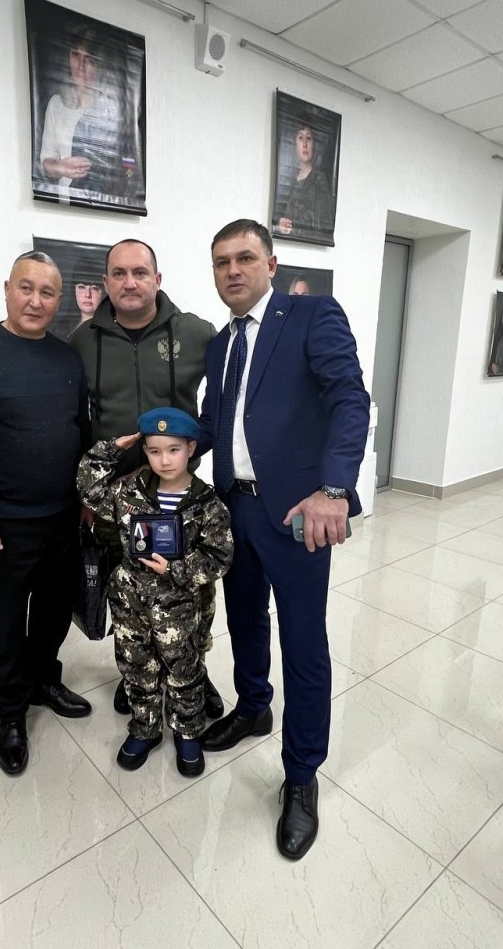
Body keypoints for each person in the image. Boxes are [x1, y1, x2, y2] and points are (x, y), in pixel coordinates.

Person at [198, 219, 369, 859]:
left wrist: (335, 488)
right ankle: (253, 707)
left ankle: (301, 775)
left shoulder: (311, 316)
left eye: (245, 258)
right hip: (233, 508)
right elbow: (219, 424)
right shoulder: (220, 345)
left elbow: (350, 400)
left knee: (302, 643)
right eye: (221, 262)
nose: (233, 270)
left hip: (298, 512)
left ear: (271, 265)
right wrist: (153, 448)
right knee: (244, 618)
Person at [0, 251, 92, 778]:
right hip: (4, 523)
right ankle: (10, 712)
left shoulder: (67, 358)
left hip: (64, 516)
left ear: (58, 300)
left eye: (47, 292)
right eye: (25, 288)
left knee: (54, 611)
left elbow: (81, 432)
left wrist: (87, 499)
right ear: (7, 289)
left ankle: (44, 680)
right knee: (6, 623)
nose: (35, 300)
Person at [69, 239, 223, 719]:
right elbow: (74, 421)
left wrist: (183, 456)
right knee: (130, 593)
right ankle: (139, 675)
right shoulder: (81, 342)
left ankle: (193, 671)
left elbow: (221, 409)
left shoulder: (197, 333)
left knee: (191, 593)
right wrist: (88, 491)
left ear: (157, 279)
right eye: (118, 273)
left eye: (140, 272)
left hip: (181, 496)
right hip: (118, 501)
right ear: (106, 283)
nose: (129, 282)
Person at [78, 407, 233, 776]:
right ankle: (144, 728)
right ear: (144, 451)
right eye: (154, 450)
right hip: (130, 601)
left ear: (191, 449)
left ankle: (187, 731)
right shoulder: (128, 492)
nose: (164, 460)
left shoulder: (206, 504)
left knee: (184, 669)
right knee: (136, 667)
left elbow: (219, 557)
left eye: (174, 450)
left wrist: (175, 569)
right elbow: (89, 487)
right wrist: (113, 449)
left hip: (178, 606)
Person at [39, 25, 119, 199]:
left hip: (103, 204)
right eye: (75, 55)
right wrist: (61, 167)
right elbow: (46, 160)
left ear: (98, 66)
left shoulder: (110, 110)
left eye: (88, 59)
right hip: (65, 203)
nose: (81, 66)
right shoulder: (56, 105)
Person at [276, 124, 335, 241]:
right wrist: (279, 225)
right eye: (300, 138)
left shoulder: (319, 180)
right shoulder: (287, 181)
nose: (304, 144)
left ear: (314, 144)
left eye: (308, 138)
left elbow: (323, 228)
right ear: (294, 144)